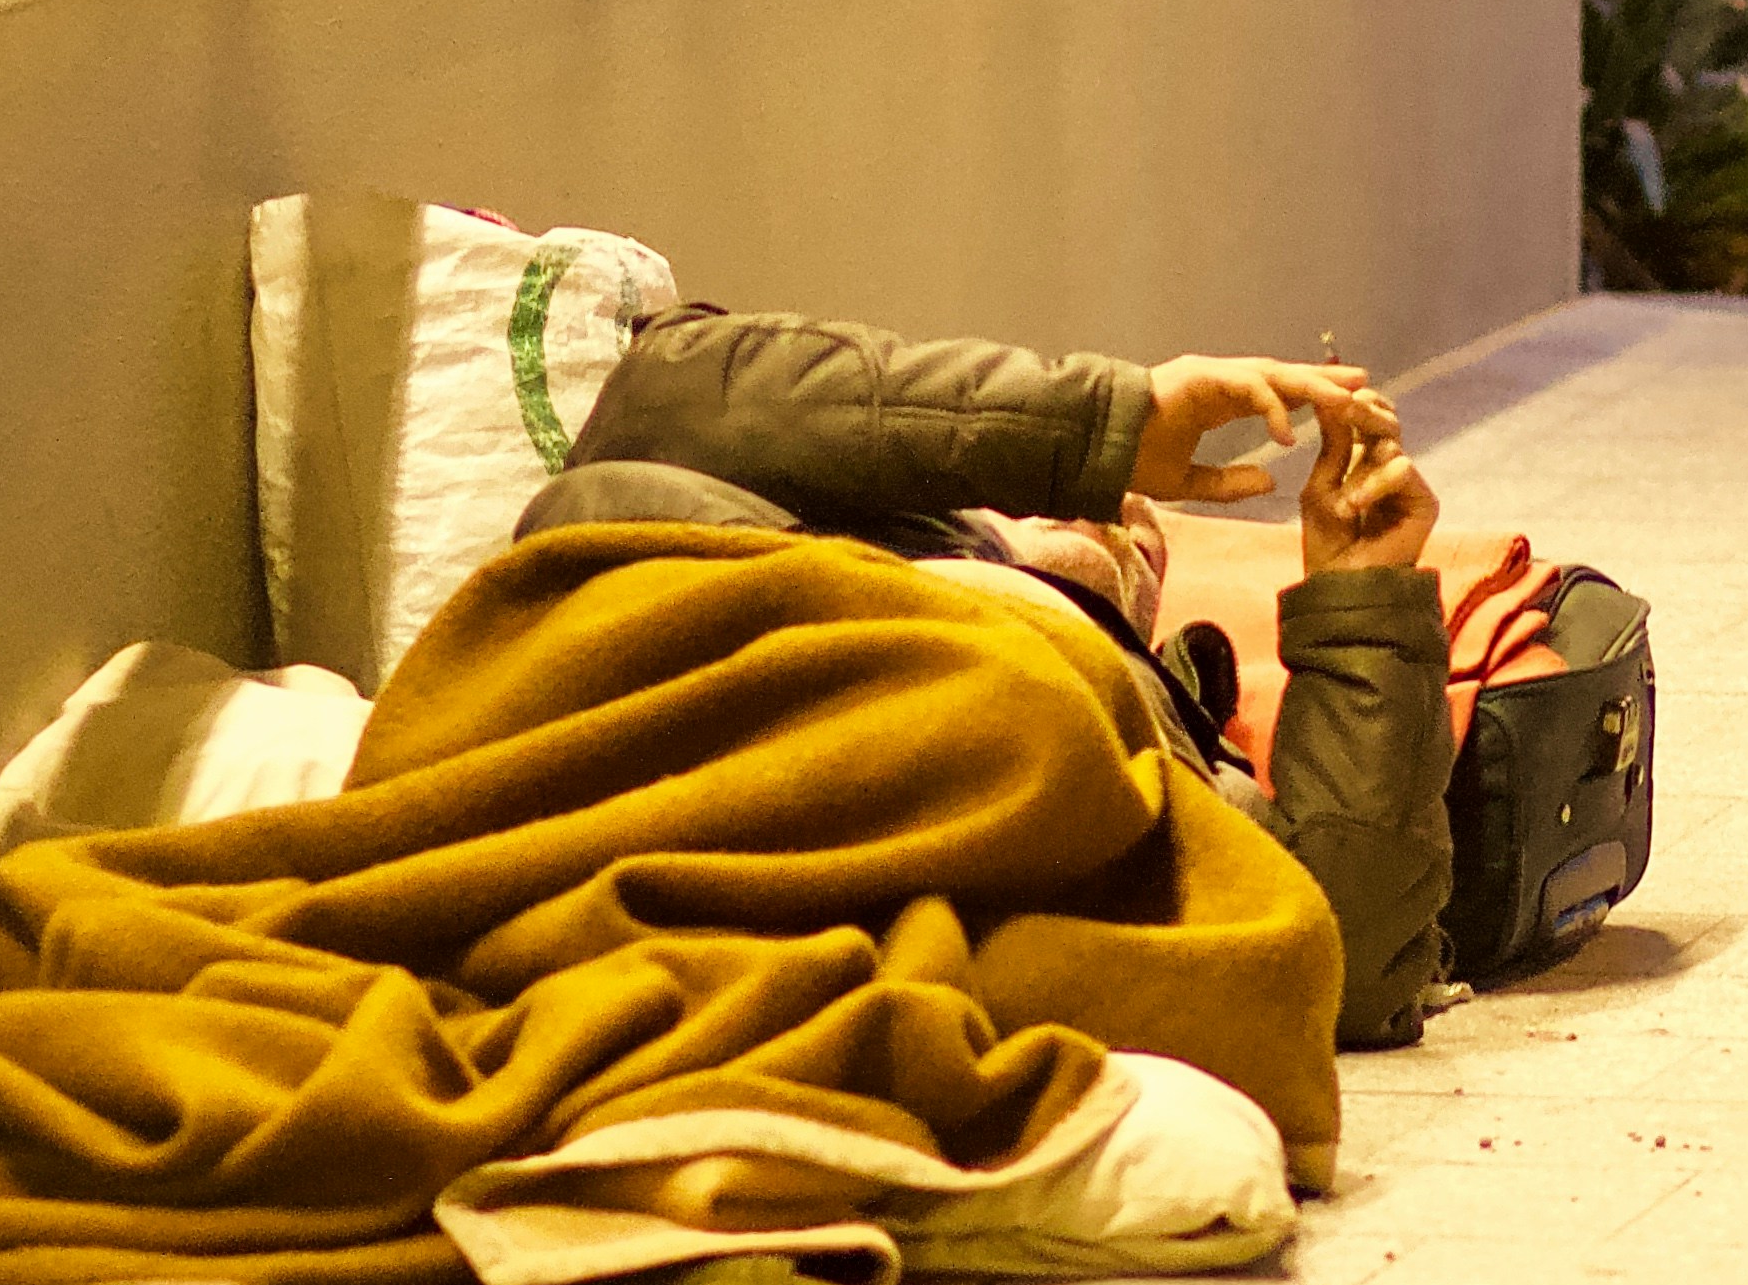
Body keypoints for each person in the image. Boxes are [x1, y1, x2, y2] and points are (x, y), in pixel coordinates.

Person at [509, 312, 1461, 1049]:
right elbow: (662, 399)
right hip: (712, 778)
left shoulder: (1150, 736)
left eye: (1134, 536)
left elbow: (1332, 948)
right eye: (1093, 503)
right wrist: (1105, 424)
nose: (1120, 518)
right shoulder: (729, 528)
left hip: (878, 875)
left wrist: (1363, 596)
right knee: (604, 507)